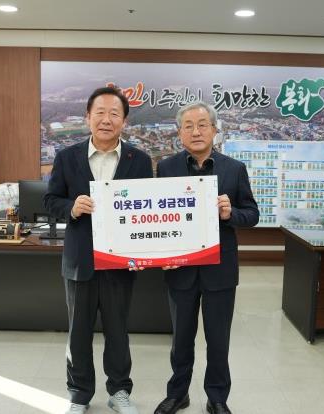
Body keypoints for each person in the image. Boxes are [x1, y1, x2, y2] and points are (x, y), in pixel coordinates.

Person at [44, 86, 153, 414]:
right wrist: (72, 207)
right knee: (78, 332)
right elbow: (50, 201)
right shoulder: (67, 157)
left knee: (118, 330)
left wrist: (146, 252)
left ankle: (119, 391)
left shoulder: (139, 160)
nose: (107, 119)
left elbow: (147, 209)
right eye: (100, 113)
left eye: (114, 114)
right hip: (80, 260)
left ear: (124, 121)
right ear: (88, 117)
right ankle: (79, 395)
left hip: (120, 261)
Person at [154, 102, 259, 414]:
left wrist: (230, 213)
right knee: (181, 340)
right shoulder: (167, 168)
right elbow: (158, 216)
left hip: (220, 270)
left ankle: (217, 398)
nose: (196, 131)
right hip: (180, 269)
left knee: (218, 340)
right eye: (188, 126)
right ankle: (178, 394)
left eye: (202, 124)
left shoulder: (233, 169)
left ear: (214, 130)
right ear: (179, 133)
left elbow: (252, 214)